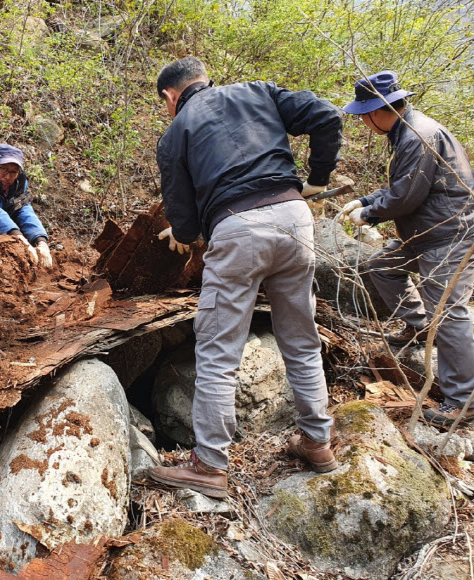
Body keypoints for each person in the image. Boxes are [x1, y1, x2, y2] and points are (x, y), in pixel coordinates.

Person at [149, 57, 343, 498]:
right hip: (295, 219)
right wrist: (317, 177)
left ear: (170, 96)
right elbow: (327, 115)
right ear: (205, 79)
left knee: (218, 350)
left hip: (238, 229)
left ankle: (209, 465)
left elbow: (183, 212)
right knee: (301, 337)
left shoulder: (175, 132)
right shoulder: (259, 91)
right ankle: (317, 441)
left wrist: (183, 234)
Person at [338, 70, 474, 426]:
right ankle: (417, 326)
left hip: (448, 235)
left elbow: (406, 196)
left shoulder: (418, 135)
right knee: (382, 265)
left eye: (362, 116)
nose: (363, 123)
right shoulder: (405, 130)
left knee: (448, 312)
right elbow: (404, 185)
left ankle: (463, 399)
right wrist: (365, 198)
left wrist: (368, 214)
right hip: (425, 232)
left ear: (376, 111)